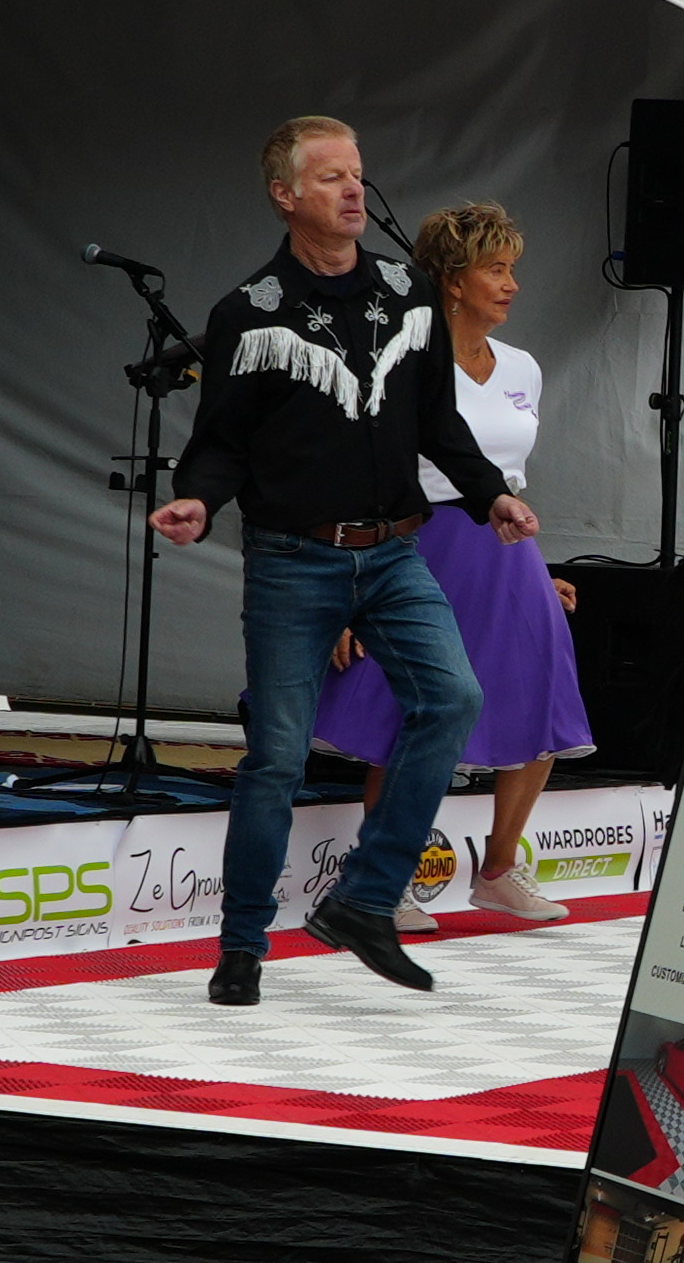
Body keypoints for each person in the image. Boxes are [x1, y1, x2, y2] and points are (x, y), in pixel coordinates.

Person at [153, 116, 538, 1006]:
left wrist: (490, 495)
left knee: (454, 698)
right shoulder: (250, 313)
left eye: (357, 173)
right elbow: (221, 443)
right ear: (285, 196)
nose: (354, 190)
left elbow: (439, 421)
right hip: (294, 558)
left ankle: (364, 899)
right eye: (331, 178)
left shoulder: (407, 292)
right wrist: (198, 499)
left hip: (395, 551)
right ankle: (241, 947)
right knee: (277, 757)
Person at [313, 199, 592, 924]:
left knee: (543, 697)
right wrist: (347, 592)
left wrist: (535, 564)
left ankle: (498, 870)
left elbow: (509, 477)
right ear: (453, 280)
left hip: (507, 551)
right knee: (409, 710)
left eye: (512, 269)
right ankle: (382, 879)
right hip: (413, 544)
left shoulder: (524, 366)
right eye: (496, 270)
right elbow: (358, 475)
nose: (512, 285)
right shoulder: (398, 359)